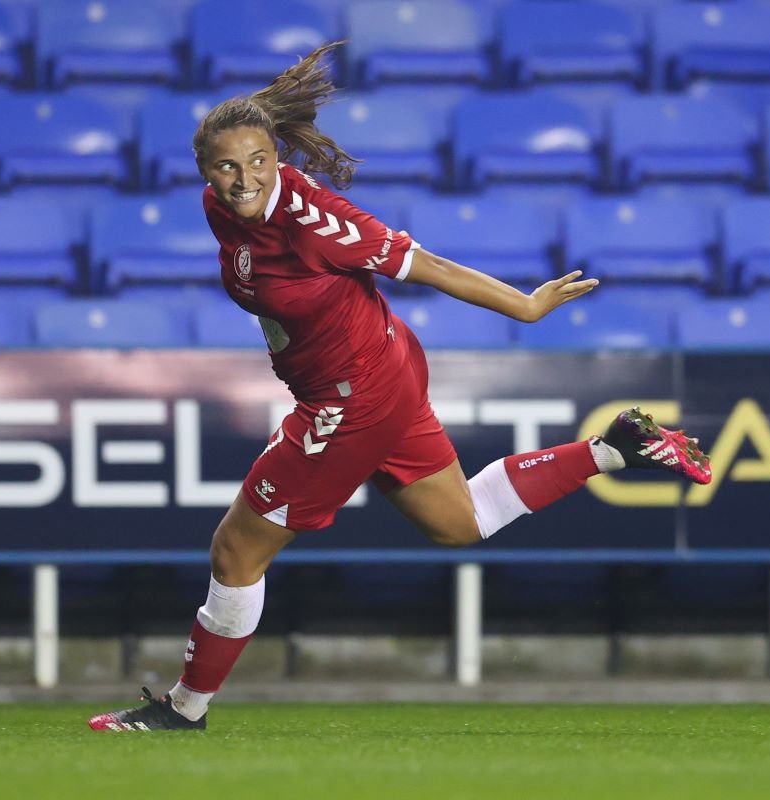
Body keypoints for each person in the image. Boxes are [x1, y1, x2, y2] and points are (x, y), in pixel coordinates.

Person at [88, 42, 711, 732]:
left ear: (278, 161)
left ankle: (185, 710)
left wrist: (526, 307)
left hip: (350, 399)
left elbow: (429, 265)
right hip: (379, 371)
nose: (244, 180)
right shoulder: (221, 206)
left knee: (236, 551)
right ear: (205, 171)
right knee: (459, 522)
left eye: (258, 162)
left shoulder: (314, 223)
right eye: (228, 166)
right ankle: (614, 448)